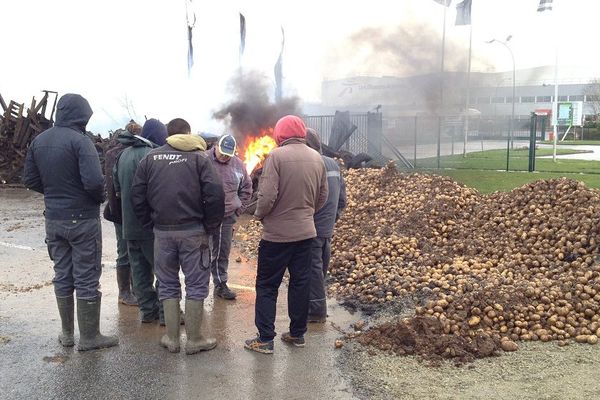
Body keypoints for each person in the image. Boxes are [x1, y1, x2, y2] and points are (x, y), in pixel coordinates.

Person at [22, 93, 118, 351]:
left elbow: (30, 180)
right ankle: (89, 337)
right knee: (87, 276)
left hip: (53, 219)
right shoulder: (81, 142)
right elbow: (95, 183)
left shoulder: (38, 141)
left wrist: (55, 195)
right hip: (82, 220)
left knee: (62, 274)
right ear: (82, 115)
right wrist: (96, 199)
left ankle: (66, 335)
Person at [131, 118, 224, 354]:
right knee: (196, 284)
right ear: (188, 133)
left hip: (162, 233)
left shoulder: (150, 159)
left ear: (167, 135)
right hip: (194, 232)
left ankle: (171, 339)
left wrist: (150, 224)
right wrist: (210, 226)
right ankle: (194, 340)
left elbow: (137, 196)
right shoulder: (200, 159)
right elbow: (215, 194)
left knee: (167, 283)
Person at [244, 115, 328, 354]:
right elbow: (323, 196)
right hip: (306, 234)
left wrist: (259, 214)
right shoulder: (317, 158)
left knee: (267, 286)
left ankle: (265, 339)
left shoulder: (276, 157)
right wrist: (306, 213)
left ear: (280, 135)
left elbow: (267, 196)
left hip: (277, 237)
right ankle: (297, 334)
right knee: (300, 283)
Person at [114, 119, 167, 323]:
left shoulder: (122, 155)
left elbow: (117, 190)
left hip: (129, 226)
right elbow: (159, 193)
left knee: (139, 272)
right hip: (150, 227)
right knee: (163, 271)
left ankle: (147, 311)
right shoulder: (152, 156)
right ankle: (165, 314)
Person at [305, 129, 347, 323]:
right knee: (320, 267)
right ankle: (315, 303)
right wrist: (332, 219)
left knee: (312, 268)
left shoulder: (311, 164)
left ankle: (315, 312)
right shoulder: (334, 165)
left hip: (312, 227)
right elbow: (341, 200)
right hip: (327, 228)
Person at [206, 134, 252, 300]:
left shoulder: (238, 164)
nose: (224, 156)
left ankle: (220, 283)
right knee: (201, 252)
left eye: (228, 154)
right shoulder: (203, 160)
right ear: (216, 146)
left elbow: (246, 188)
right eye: (222, 152)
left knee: (222, 252)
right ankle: (199, 288)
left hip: (226, 217)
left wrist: (238, 210)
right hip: (204, 217)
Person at [102, 121, 141, 306]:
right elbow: (113, 187)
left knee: (129, 251)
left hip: (120, 210)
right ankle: (125, 293)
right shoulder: (120, 154)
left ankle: (133, 289)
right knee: (125, 252)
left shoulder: (113, 153)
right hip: (122, 211)